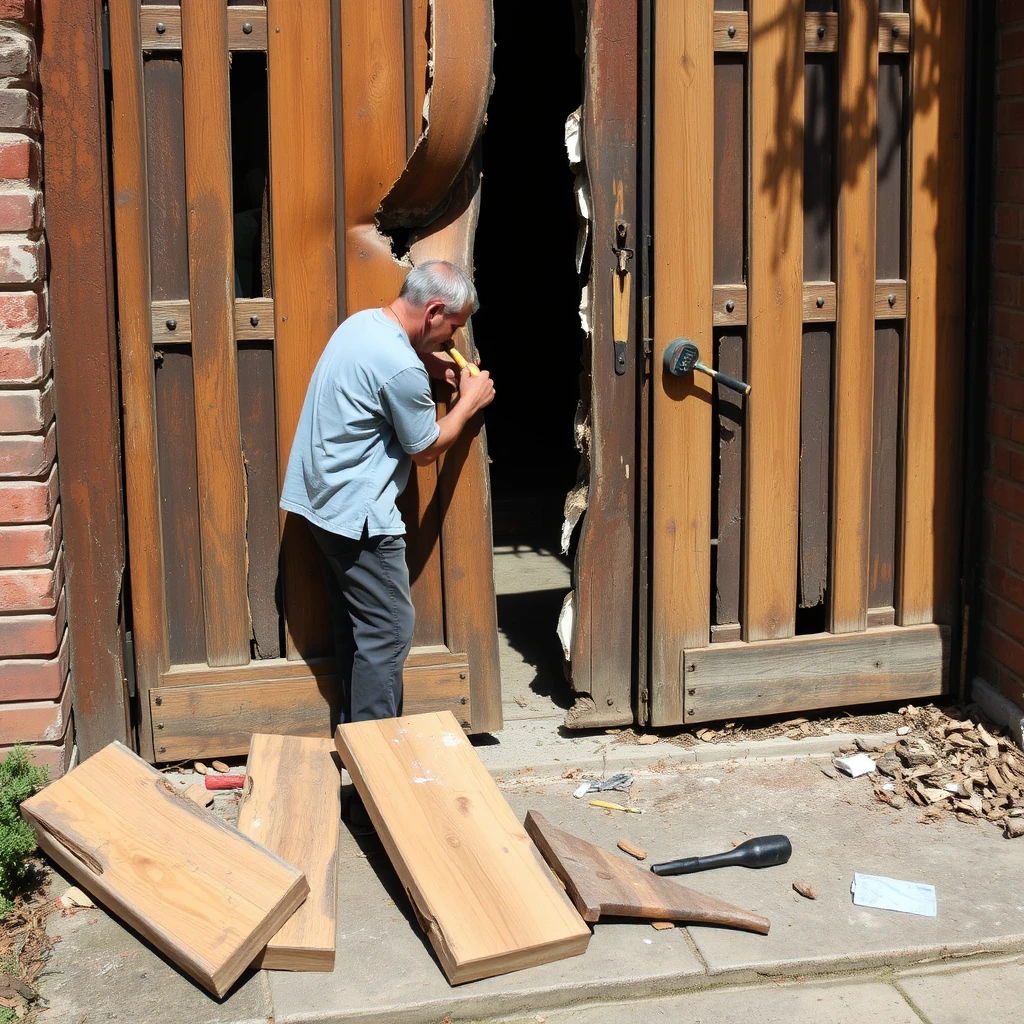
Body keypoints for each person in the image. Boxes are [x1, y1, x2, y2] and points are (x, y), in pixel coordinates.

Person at [280, 260, 496, 732]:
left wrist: (428, 360)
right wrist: (468, 403)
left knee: (359, 636)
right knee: (388, 633)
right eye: (451, 328)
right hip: (360, 519)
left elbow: (385, 374)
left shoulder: (362, 325)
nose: (453, 341)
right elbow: (424, 449)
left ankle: (354, 751)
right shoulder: (401, 366)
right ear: (434, 310)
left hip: (323, 506)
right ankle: (376, 770)